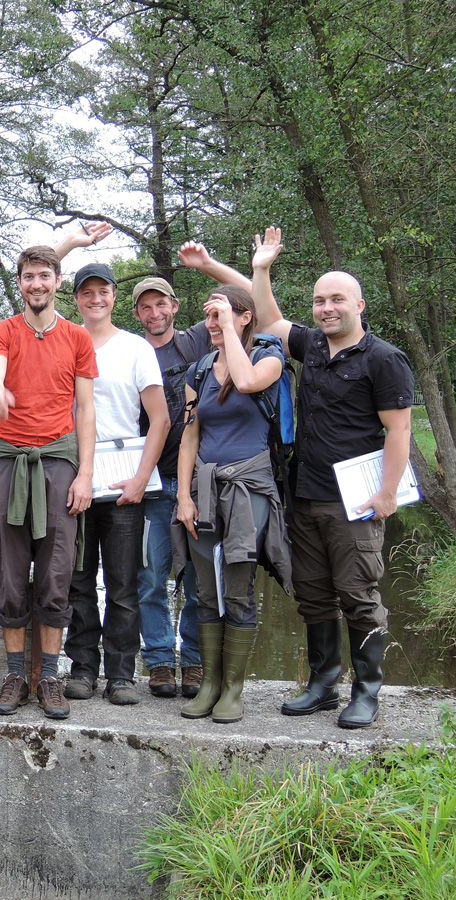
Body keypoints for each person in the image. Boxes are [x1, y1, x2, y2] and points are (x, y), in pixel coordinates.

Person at [250, 228, 413, 729]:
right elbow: (272, 320)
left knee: (358, 596)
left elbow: (399, 430)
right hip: (306, 495)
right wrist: (261, 269)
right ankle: (323, 683)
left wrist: (387, 493)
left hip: (356, 502)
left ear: (358, 304)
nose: (326, 307)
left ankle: (366, 691)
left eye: (336, 299)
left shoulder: (384, 359)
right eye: (320, 300)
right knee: (314, 594)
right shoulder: (313, 346)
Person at [132, 243, 255, 698]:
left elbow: (251, 298)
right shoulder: (131, 351)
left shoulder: (199, 340)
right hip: (151, 484)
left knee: (201, 582)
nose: (154, 312)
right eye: (144, 307)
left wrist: (206, 265)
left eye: (160, 303)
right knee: (151, 578)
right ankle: (159, 661)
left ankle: (194, 662)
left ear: (175, 306)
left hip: (201, 483)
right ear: (138, 315)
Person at [0, 246, 96, 718]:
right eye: (29, 276)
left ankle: (48, 676)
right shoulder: (2, 332)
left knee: (56, 570)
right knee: (9, 568)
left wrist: (85, 474)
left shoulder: (77, 338)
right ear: (21, 282)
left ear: (57, 280)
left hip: (58, 460)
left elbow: (86, 409)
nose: (36, 284)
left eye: (44, 276)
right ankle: (14, 675)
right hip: (10, 457)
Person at [175, 285, 291, 723]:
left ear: (245, 317)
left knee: (238, 589)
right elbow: (190, 437)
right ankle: (209, 684)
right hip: (205, 489)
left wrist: (229, 327)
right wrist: (184, 497)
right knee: (207, 590)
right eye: (207, 314)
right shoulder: (200, 370)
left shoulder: (269, 357)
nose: (210, 322)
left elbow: (245, 382)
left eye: (220, 313)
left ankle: (233, 692)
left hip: (249, 488)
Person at [63, 263, 169, 706]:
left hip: (124, 478)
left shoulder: (135, 348)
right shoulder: (64, 340)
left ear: (113, 297)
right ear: (76, 299)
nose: (95, 299)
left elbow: (160, 418)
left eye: (103, 291)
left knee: (124, 582)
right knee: (79, 580)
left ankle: (121, 674)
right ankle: (83, 668)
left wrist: (142, 479)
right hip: (74, 476)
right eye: (86, 292)